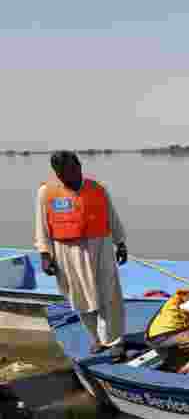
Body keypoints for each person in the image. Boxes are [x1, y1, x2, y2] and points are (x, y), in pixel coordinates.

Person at [34, 150, 129, 359]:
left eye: (71, 169)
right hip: (67, 251)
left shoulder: (98, 189)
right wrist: (44, 254)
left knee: (109, 294)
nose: (67, 175)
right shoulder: (46, 192)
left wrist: (120, 243)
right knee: (80, 296)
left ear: (79, 166)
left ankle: (114, 340)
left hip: (100, 247)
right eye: (61, 172)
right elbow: (41, 226)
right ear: (56, 173)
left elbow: (112, 217)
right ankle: (96, 339)